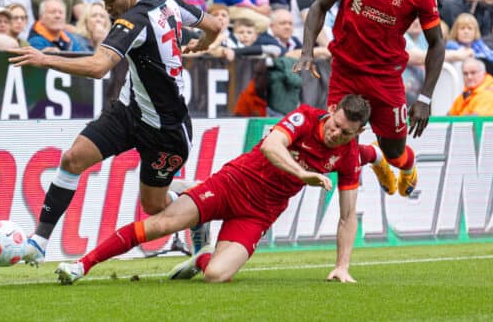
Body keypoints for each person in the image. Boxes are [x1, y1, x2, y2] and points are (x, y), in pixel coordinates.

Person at [8, 0, 222, 267]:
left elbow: (98, 68)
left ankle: (194, 210)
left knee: (154, 206)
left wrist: (46, 60)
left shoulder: (133, 21)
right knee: (73, 158)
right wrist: (202, 44)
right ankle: (38, 243)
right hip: (129, 110)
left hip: (167, 130)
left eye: (110, 1)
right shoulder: (169, 2)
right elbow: (215, 25)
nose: (108, 9)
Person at [54, 94, 370, 285]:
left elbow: (347, 216)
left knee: (217, 276)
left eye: (346, 133)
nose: (335, 133)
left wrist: (342, 266)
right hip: (231, 184)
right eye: (335, 124)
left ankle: (202, 256)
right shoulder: (304, 116)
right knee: (162, 223)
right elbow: (273, 146)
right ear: (332, 109)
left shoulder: (350, 154)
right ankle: (83, 264)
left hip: (259, 213)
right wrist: (302, 174)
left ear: (359, 132)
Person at [294, 0, 445, 198]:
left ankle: (403, 165)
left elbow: (436, 44)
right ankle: (374, 160)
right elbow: (318, 7)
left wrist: (424, 98)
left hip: (385, 79)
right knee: (336, 138)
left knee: (395, 152)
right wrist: (307, 52)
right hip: (345, 72)